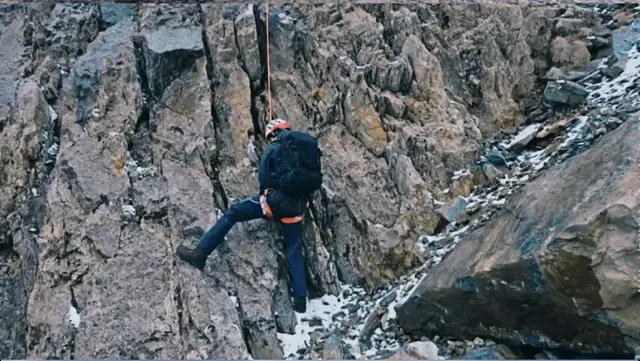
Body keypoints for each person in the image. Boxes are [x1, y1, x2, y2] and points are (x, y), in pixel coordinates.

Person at [176, 118, 323, 314]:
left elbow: (264, 179)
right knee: (294, 251)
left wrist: (267, 197)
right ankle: (300, 301)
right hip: (297, 206)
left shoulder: (274, 149)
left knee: (232, 214)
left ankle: (200, 254)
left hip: (276, 201)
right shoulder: (302, 148)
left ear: (272, 134)